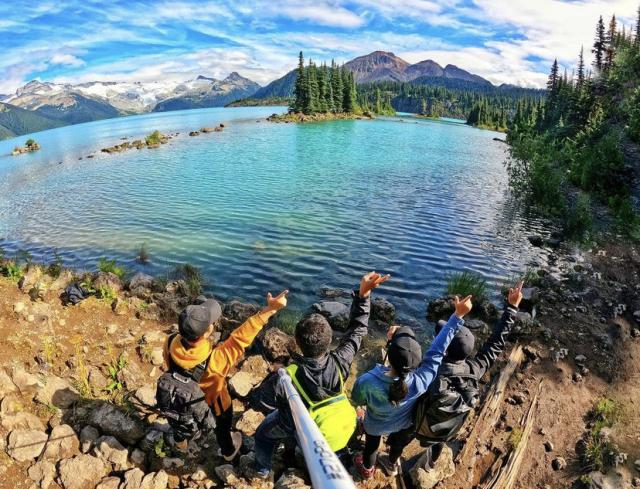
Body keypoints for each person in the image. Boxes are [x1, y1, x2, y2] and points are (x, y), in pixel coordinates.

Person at [246, 271, 390, 479]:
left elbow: (267, 401)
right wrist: (363, 295)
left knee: (263, 435)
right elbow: (358, 330)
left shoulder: (288, 375)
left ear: (297, 342)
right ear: (330, 340)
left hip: (299, 427)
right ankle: (336, 455)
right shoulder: (341, 360)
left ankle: (262, 469)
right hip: (339, 428)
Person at [351, 294, 473, 479]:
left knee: (371, 446)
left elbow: (357, 399)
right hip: (403, 424)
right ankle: (391, 463)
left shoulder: (367, 381)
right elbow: (437, 350)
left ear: (388, 355)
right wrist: (457, 317)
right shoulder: (422, 380)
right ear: (418, 360)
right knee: (396, 444)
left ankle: (368, 470)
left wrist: (393, 341)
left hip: (374, 425)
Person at [161, 289, 289, 461]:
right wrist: (270, 310)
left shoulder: (170, 341)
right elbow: (240, 338)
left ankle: (180, 443)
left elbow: (169, 363)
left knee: (180, 420)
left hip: (180, 394)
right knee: (222, 426)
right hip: (213, 402)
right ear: (206, 333)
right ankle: (228, 451)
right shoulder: (217, 359)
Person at [413, 282, 523, 468]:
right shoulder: (475, 369)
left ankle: (392, 461)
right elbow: (495, 344)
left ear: (444, 349)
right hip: (448, 427)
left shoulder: (431, 372)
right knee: (439, 442)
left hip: (418, 427)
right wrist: (511, 308)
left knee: (403, 437)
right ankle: (431, 462)